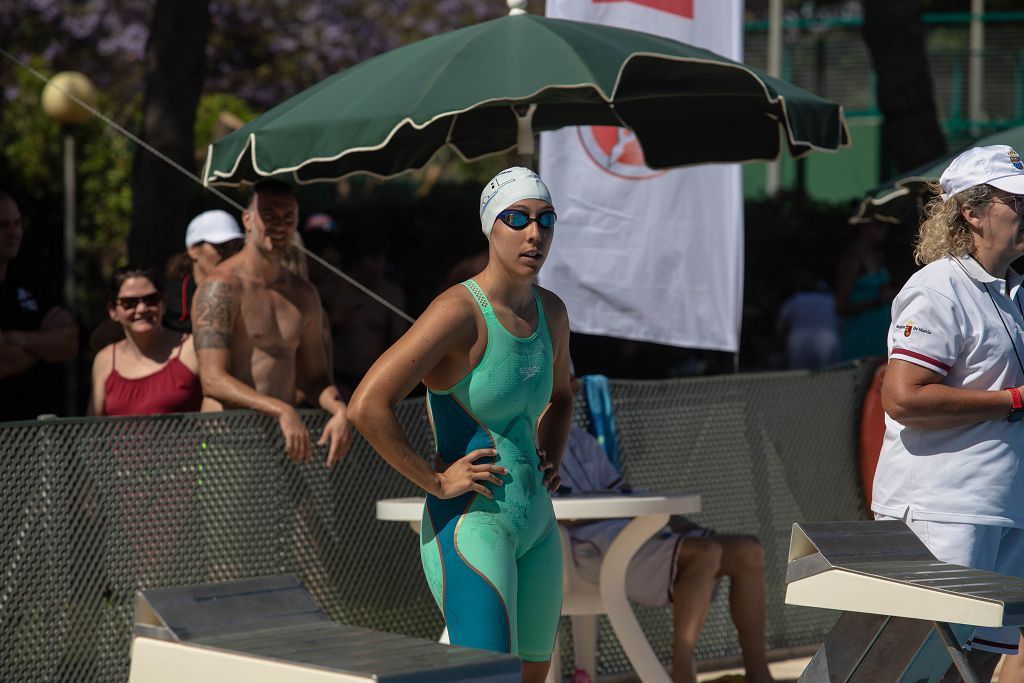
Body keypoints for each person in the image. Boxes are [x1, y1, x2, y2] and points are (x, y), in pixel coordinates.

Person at [347, 167, 573, 682]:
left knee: (535, 677)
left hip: (536, 525)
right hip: (473, 527)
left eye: (546, 220)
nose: (534, 233)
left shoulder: (553, 312)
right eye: (516, 219)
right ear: (490, 227)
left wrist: (552, 457)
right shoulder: (457, 313)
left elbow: (562, 397)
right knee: (488, 678)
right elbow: (367, 404)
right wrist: (435, 480)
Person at [872, 145, 1024, 682]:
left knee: (976, 662)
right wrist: (1013, 400)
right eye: (1016, 202)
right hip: (944, 510)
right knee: (923, 668)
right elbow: (904, 397)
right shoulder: (939, 286)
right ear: (972, 212)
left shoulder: (1011, 292)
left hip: (999, 507)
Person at [559, 374, 775, 683]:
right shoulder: (524, 441)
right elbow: (553, 513)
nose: (574, 387)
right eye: (563, 379)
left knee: (748, 550)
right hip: (587, 551)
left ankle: (759, 674)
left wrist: (667, 518)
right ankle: (682, 672)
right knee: (705, 553)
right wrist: (626, 511)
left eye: (572, 380)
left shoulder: (581, 439)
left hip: (629, 535)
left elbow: (620, 493)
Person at [191, 179, 351, 466]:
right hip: (230, 440)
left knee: (313, 512)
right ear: (248, 219)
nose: (279, 224)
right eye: (269, 215)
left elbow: (315, 377)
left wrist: (339, 411)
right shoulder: (221, 287)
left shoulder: (303, 294)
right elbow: (212, 380)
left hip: (286, 440)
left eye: (287, 217)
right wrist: (281, 410)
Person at [0, 190, 78, 420]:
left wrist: (16, 339)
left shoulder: (30, 280)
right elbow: (2, 363)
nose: (13, 233)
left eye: (17, 223)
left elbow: (70, 342)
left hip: (37, 432)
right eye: (3, 225)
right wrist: (45, 343)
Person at [88, 265, 201, 416]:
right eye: (129, 303)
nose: (141, 309)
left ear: (164, 303)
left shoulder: (192, 348)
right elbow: (92, 429)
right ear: (113, 310)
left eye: (151, 300)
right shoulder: (105, 359)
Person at [318, 232, 408, 398]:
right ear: (359, 262)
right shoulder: (332, 291)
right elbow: (312, 337)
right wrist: (334, 321)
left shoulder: (391, 294)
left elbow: (401, 342)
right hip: (338, 379)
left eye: (381, 259)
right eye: (374, 259)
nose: (379, 265)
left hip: (377, 378)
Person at [163, 209, 245, 332]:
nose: (230, 254)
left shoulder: (252, 292)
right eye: (221, 247)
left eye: (235, 247)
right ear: (193, 249)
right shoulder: (169, 301)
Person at [837, 218, 898, 360]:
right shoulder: (853, 259)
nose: (884, 228)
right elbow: (840, 307)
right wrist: (877, 301)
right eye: (878, 224)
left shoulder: (879, 256)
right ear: (863, 227)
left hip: (881, 338)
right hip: (859, 339)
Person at [776, 268, 839, 370]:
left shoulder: (794, 300)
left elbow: (780, 327)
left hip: (799, 343)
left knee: (799, 378)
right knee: (828, 377)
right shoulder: (832, 300)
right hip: (827, 342)